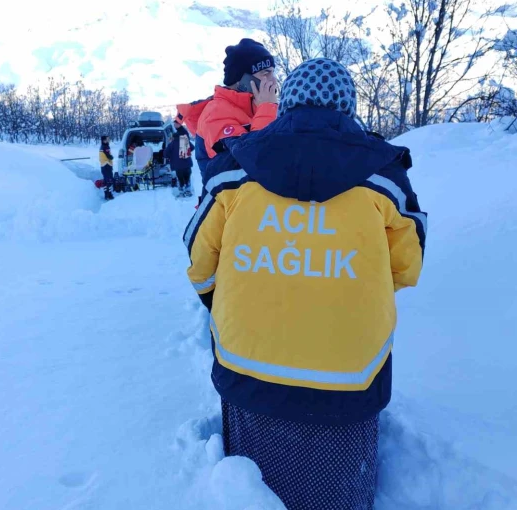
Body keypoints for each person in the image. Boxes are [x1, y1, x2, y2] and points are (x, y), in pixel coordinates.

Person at [183, 58, 427, 509]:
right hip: (351, 382)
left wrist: (225, 300)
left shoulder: (235, 169)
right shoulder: (383, 175)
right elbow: (408, 266)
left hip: (246, 375)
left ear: (288, 100)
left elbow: (200, 263)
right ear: (348, 106)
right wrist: (349, 281)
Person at [197, 38, 279, 161]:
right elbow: (251, 161)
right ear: (241, 79)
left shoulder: (257, 105)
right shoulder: (215, 114)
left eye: (273, 72)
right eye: (265, 73)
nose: (273, 80)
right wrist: (267, 109)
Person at [164, 122, 195, 197]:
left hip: (178, 166)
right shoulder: (185, 141)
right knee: (187, 178)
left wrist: (171, 156)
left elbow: (165, 154)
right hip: (187, 164)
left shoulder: (172, 143)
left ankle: (182, 189)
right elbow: (193, 147)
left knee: (181, 179)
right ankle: (188, 189)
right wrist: (186, 150)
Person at [98, 135, 115, 200]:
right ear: (104, 140)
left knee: (105, 180)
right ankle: (109, 194)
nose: (109, 140)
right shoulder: (106, 146)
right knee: (109, 180)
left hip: (103, 165)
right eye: (107, 139)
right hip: (107, 165)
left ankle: (106, 194)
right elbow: (109, 156)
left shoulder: (102, 146)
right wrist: (111, 157)